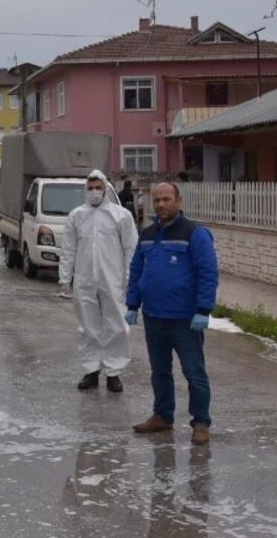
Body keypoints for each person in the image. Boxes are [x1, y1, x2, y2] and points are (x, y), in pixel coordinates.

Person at [125, 182, 219, 444]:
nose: (161, 204)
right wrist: (132, 304)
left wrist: (203, 309)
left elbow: (208, 273)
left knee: (194, 372)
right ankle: (162, 416)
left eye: (167, 199)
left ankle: (201, 422)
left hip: (185, 319)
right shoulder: (147, 234)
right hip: (154, 316)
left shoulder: (194, 233)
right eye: (157, 200)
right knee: (159, 371)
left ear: (179, 201)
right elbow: (137, 271)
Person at [59, 170, 139, 392]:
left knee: (117, 325)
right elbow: (68, 249)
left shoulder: (121, 215)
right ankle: (91, 370)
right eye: (91, 187)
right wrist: (65, 277)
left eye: (98, 187)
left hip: (113, 279)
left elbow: (131, 248)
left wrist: (129, 276)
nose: (94, 191)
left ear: (106, 189)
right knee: (88, 326)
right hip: (85, 280)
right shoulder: (76, 216)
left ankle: (114, 372)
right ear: (86, 190)